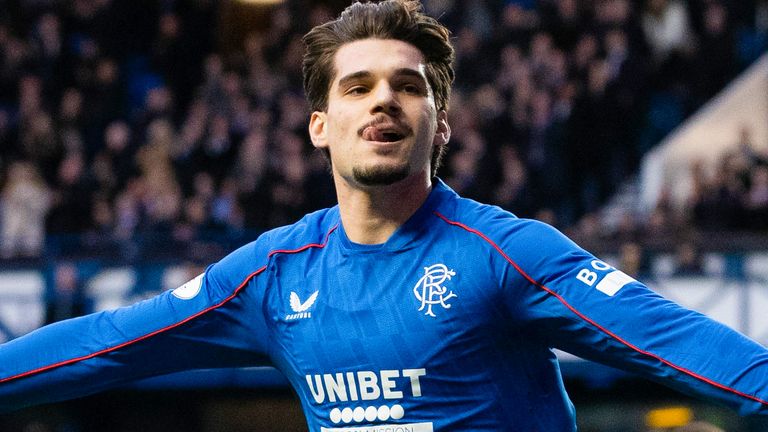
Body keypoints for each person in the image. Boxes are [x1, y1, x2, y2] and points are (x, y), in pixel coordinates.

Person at [1, 1, 767, 430]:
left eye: (407, 86)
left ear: (442, 124)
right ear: (319, 125)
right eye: (357, 85)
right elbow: (106, 343)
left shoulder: (506, 255)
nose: (383, 100)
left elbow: (679, 345)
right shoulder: (273, 276)